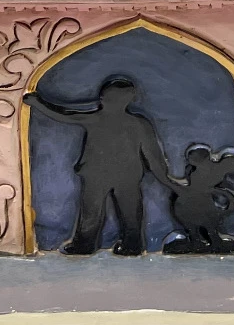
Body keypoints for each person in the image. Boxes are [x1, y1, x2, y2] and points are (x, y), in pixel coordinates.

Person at [25, 76, 177, 255]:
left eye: (109, 97)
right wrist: (38, 103)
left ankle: (125, 244)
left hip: (114, 176)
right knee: (95, 211)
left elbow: (153, 156)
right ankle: (97, 244)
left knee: (124, 211)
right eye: (104, 96)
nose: (103, 99)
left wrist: (167, 180)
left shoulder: (132, 123)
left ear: (125, 100)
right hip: (105, 175)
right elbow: (65, 115)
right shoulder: (129, 122)